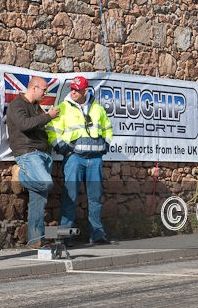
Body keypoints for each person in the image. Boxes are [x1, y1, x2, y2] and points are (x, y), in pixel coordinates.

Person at [46, 76, 116, 245]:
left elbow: (108, 128)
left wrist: (105, 145)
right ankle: (65, 236)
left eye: (77, 90)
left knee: (95, 198)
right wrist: (64, 149)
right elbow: (52, 130)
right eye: (72, 89)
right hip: (74, 159)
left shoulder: (98, 108)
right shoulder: (63, 108)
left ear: (86, 91)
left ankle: (97, 235)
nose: (73, 92)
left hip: (95, 159)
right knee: (69, 197)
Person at [6, 76, 59, 248]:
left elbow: (39, 128)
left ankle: (35, 239)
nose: (45, 93)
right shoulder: (17, 105)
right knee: (46, 183)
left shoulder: (36, 106)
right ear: (34, 88)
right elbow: (24, 124)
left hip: (42, 154)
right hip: (28, 153)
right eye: (44, 90)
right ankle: (20, 175)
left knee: (38, 199)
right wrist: (48, 116)